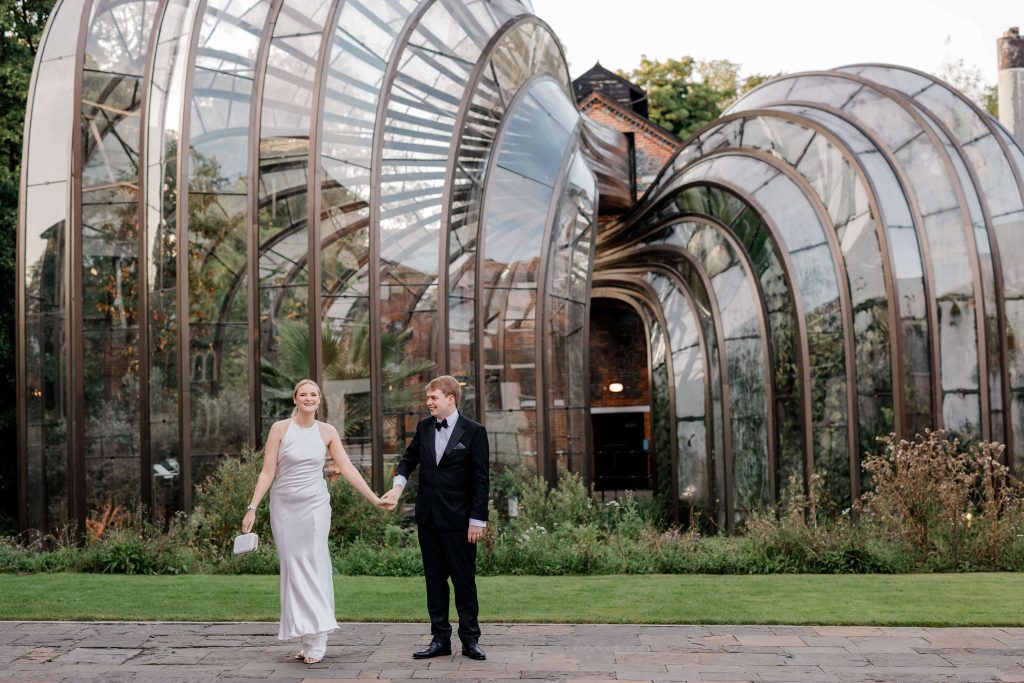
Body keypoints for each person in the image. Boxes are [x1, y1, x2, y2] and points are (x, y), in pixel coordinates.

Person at [242, 378, 391, 664]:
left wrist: (374, 498)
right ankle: (308, 635)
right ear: (294, 399)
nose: (309, 398)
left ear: (319, 400)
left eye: (314, 394)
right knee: (293, 569)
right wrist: (252, 507)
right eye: (303, 394)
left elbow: (346, 468)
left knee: (314, 564)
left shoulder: (328, 431)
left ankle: (319, 636)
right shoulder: (280, 429)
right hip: (284, 507)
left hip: (314, 507)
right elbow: (267, 472)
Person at [381, 375, 490, 661]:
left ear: (450, 398)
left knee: (464, 581)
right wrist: (396, 488)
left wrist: (478, 520)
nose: (428, 402)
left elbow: (481, 478)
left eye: (433, 398)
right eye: (428, 398)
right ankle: (440, 639)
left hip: (460, 521)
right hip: (428, 518)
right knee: (434, 581)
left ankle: (470, 639)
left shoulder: (474, 431)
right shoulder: (423, 427)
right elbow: (408, 459)